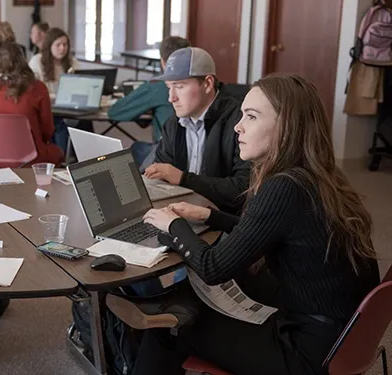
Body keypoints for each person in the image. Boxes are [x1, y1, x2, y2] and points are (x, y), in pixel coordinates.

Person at [107, 73, 381, 375]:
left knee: (170, 330)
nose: (238, 126)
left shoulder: (284, 187)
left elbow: (213, 268)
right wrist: (211, 217)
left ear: (286, 126)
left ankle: (163, 314)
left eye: (250, 117)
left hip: (305, 349)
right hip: (343, 336)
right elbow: (277, 232)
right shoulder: (320, 176)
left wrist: (173, 225)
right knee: (227, 291)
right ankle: (166, 308)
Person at [144, 47, 250, 215]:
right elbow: (162, 179)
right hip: (181, 213)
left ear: (208, 84)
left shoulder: (240, 123)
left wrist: (183, 179)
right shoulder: (173, 124)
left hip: (225, 221)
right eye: (168, 87)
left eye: (179, 86)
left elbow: (244, 189)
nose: (171, 98)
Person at [108, 36, 191, 165]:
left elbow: (115, 112)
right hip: (197, 152)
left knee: (135, 149)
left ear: (163, 61)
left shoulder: (156, 86)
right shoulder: (202, 86)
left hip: (169, 154)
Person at [0, 43, 63, 167]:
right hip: (32, 157)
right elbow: (47, 130)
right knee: (59, 152)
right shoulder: (37, 88)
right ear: (24, 61)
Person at [28, 27, 78, 94]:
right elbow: (32, 89)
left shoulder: (73, 62)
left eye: (65, 44)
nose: (62, 48)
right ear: (49, 46)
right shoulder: (37, 61)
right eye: (58, 45)